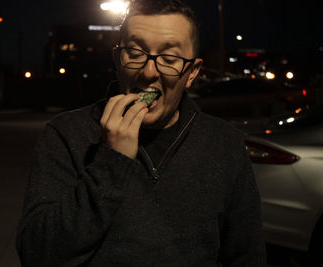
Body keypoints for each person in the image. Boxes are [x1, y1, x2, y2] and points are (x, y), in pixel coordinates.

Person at [16, 0, 267, 266]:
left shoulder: (224, 143)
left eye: (169, 59)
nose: (149, 72)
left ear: (191, 73)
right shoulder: (67, 134)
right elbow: (37, 254)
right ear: (117, 60)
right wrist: (112, 162)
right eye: (134, 53)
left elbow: (246, 255)